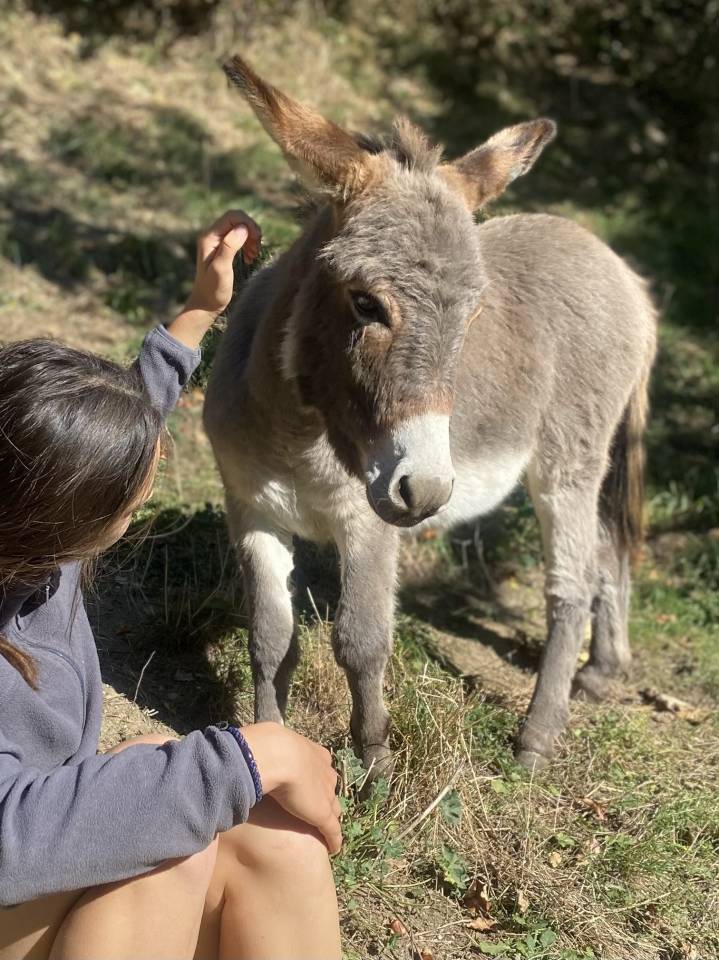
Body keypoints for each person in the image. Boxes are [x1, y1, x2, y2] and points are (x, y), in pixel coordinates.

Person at [0, 211, 342, 960]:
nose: (143, 497)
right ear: (71, 519)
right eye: (132, 499)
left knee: (273, 846)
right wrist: (251, 756)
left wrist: (199, 310)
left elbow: (114, 428)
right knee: (165, 843)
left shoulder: (23, 528)